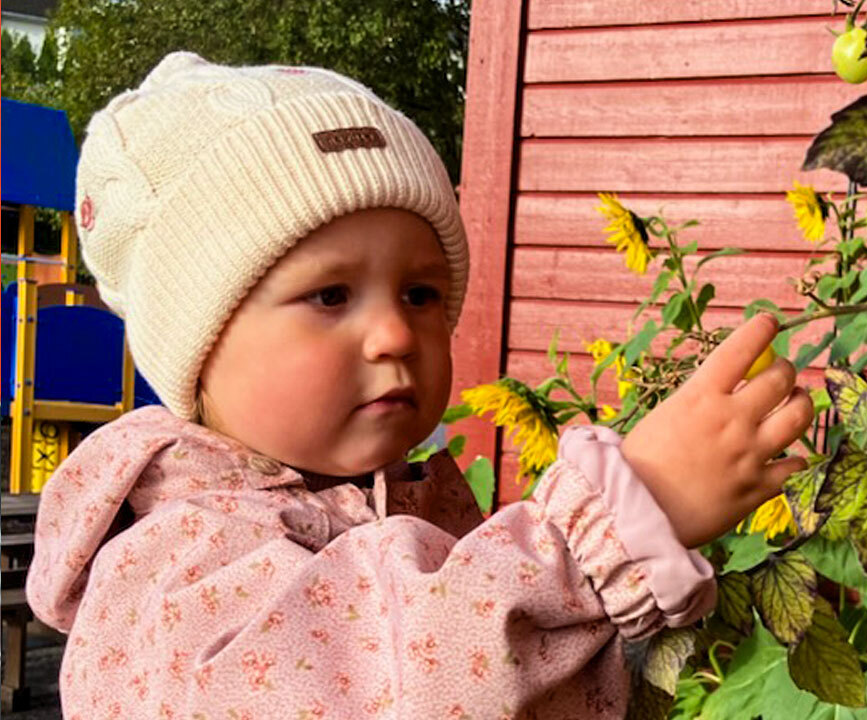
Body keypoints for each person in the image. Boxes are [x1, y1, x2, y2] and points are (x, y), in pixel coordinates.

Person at [26, 52, 814, 718]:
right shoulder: (175, 562)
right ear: (199, 346)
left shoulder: (404, 500)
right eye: (331, 295)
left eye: (422, 294)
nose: (397, 334)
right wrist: (611, 529)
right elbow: (370, 684)